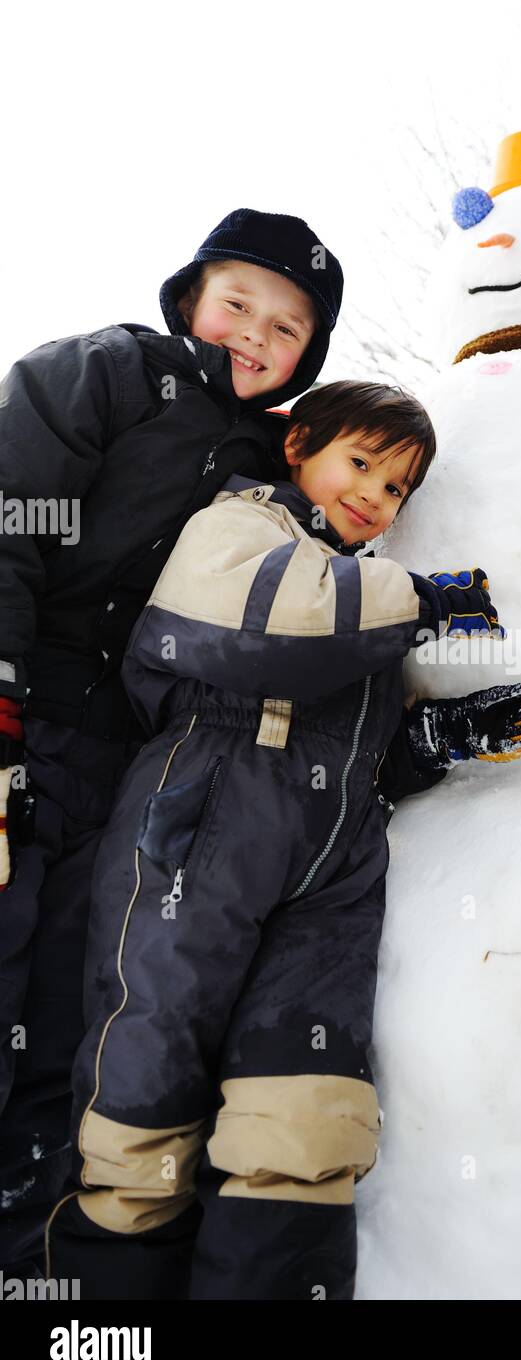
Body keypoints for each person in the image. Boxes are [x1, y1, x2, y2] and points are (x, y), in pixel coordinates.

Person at [43, 378, 521, 1299]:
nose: (374, 495)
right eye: (360, 463)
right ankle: (115, 1306)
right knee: (149, 1064)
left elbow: (357, 747)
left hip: (333, 860)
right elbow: (270, 621)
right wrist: (427, 597)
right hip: (204, 820)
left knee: (303, 1107)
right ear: (298, 448)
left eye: (397, 488)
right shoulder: (239, 528)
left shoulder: (366, 603)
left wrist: (437, 740)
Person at [0, 206, 345, 1273]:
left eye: (287, 328)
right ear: (191, 297)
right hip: (25, 726)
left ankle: (30, 1259)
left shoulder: (270, 469)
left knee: (69, 1021)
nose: (256, 333)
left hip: (121, 778)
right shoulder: (103, 371)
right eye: (239, 302)